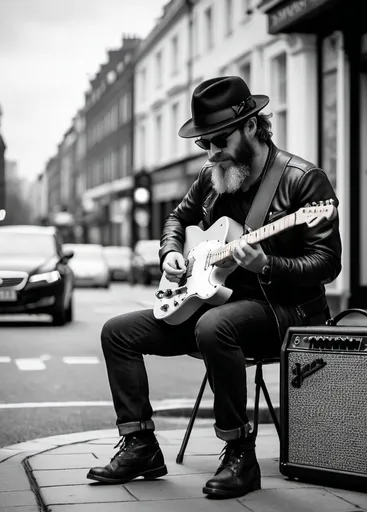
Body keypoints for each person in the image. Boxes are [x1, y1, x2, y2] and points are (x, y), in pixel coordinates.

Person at [87, 76, 342, 499]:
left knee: (214, 328)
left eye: (219, 140)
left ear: (251, 126)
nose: (211, 153)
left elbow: (327, 264)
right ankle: (141, 446)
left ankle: (239, 453)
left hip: (285, 311)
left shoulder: (302, 180)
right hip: (211, 301)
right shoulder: (212, 176)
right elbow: (176, 219)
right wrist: (170, 252)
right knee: (118, 332)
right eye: (204, 143)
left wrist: (269, 264)